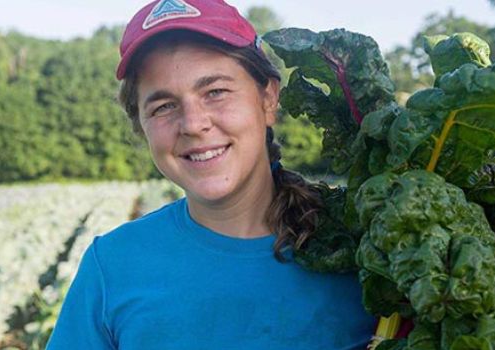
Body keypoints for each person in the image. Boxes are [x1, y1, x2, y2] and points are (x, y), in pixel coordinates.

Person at [45, 0, 378, 348]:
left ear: (268, 98)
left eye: (215, 92)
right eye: (163, 106)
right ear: (141, 126)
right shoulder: (112, 267)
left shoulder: (368, 250)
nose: (192, 123)